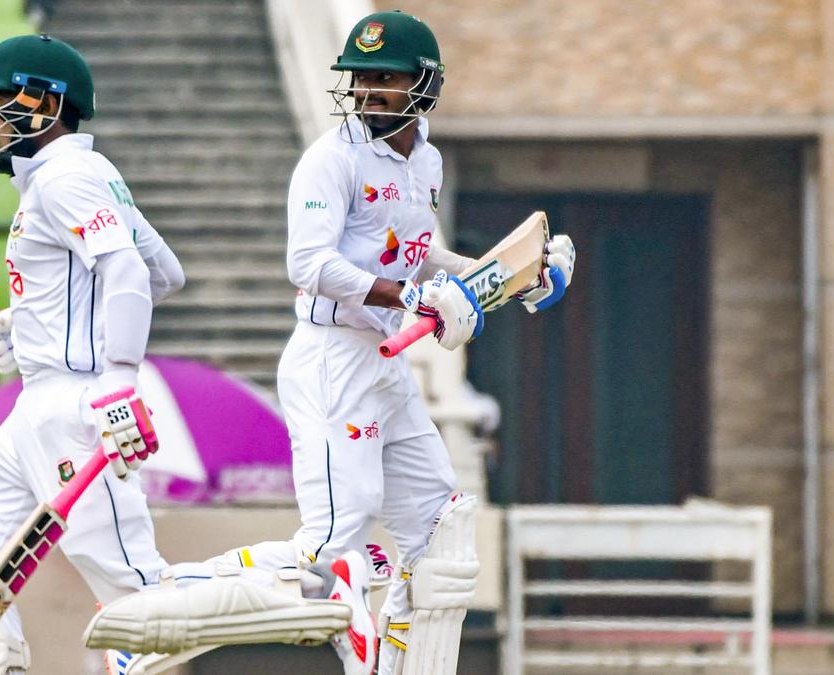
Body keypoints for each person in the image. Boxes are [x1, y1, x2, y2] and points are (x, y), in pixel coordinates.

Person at [85, 10, 575, 675]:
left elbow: (417, 254)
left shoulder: (425, 160)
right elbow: (309, 263)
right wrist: (409, 299)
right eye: (360, 77)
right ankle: (149, 613)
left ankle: (396, 659)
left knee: (440, 530)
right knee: (330, 550)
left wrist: (507, 276)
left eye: (385, 79)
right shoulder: (331, 159)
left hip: (382, 364)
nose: (367, 90)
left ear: (424, 85)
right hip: (329, 358)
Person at [0, 34, 187, 673]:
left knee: (132, 590)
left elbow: (129, 271)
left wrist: (118, 377)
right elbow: (164, 272)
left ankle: (294, 587)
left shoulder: (65, 178)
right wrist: (29, 322)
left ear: (42, 104)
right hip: (38, 403)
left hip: (75, 405)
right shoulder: (78, 176)